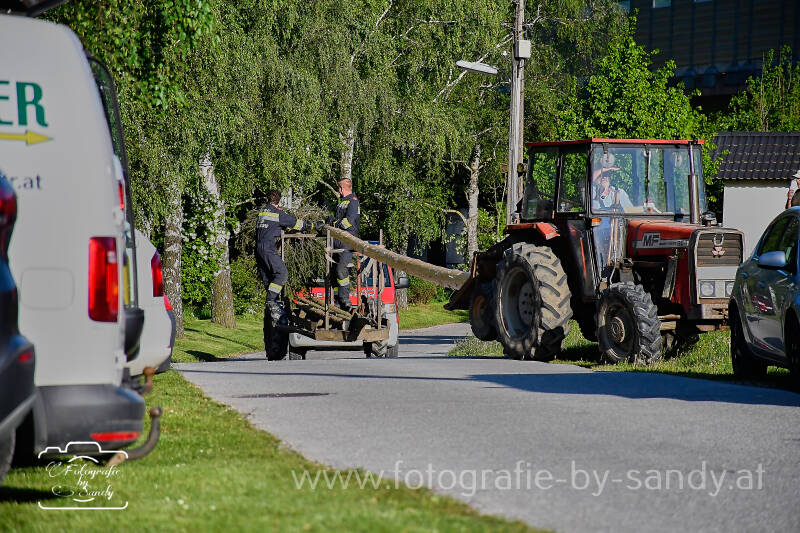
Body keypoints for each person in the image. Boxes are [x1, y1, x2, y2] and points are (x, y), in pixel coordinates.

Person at [256, 190, 304, 322]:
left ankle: (274, 309)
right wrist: (313, 225)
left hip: (259, 249)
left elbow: (271, 227)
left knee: (269, 279)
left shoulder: (262, 212)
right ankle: (271, 301)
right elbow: (297, 224)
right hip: (268, 249)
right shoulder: (277, 214)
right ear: (279, 201)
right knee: (282, 274)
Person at [330, 177, 360, 310]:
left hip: (347, 240)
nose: (339, 191)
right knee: (334, 272)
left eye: (339, 188)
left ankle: (344, 299)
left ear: (341, 188)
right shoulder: (341, 202)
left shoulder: (353, 202)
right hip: (337, 240)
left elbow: (349, 221)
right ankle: (336, 298)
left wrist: (335, 224)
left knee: (342, 270)